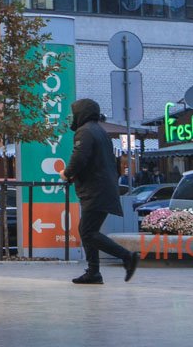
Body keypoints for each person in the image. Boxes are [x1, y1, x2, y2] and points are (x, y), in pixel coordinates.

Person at [60, 98, 137, 284]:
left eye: (74, 113)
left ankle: (127, 256)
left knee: (87, 232)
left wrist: (67, 173)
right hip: (103, 188)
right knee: (88, 230)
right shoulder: (100, 131)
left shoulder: (84, 131)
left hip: (96, 190)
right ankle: (93, 272)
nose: (72, 117)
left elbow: (80, 157)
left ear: (82, 113)